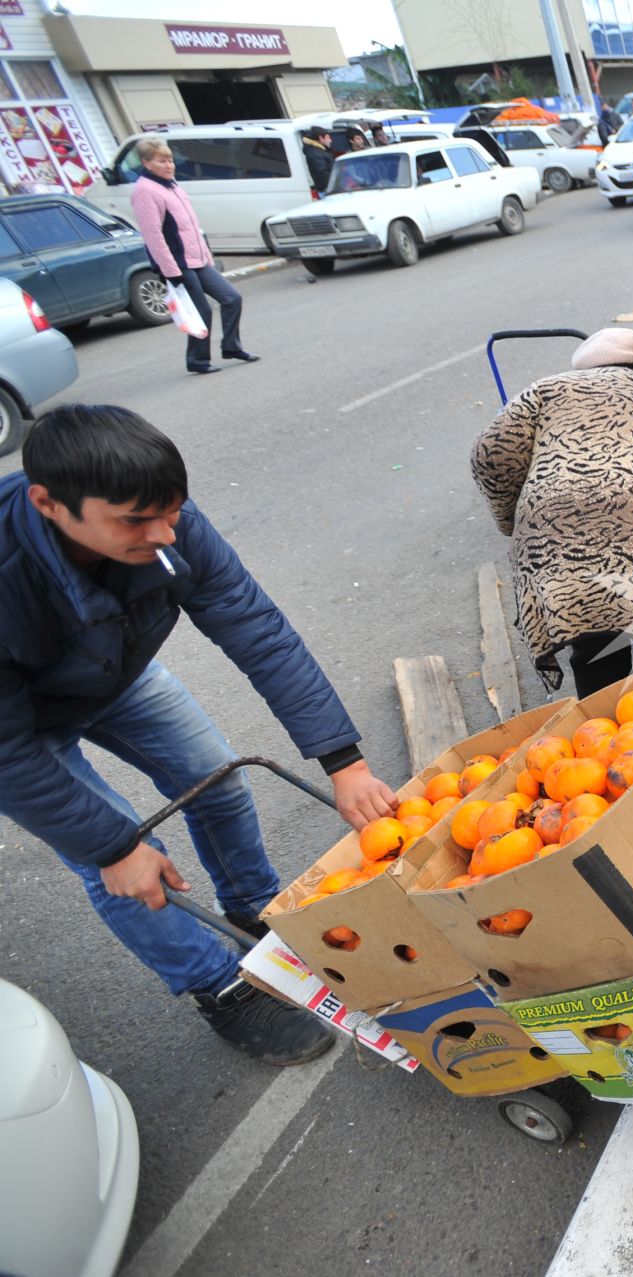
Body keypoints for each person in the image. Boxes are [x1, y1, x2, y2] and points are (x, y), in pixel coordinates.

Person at [0, 405, 397, 1064]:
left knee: (217, 778)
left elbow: (253, 625)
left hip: (110, 669)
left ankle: (253, 910)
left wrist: (343, 759)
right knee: (126, 860)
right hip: (18, 725)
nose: (162, 534)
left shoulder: (165, 524)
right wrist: (110, 842)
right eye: (135, 520)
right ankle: (219, 986)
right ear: (49, 503)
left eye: (173, 511)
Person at [471, 329, 633, 694]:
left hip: (563, 545)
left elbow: (490, 455)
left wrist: (508, 519)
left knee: (595, 640)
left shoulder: (545, 391)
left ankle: (603, 729)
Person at [128, 138, 256, 376]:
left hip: (197, 259)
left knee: (232, 298)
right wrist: (170, 271)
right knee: (201, 312)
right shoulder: (145, 190)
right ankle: (197, 360)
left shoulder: (173, 186)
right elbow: (153, 234)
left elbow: (192, 226)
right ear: (147, 163)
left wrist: (206, 256)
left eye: (170, 160)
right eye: (161, 161)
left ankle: (231, 347)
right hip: (177, 263)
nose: (169, 165)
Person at [300, 125, 334, 190]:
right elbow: (323, 174)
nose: (330, 140)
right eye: (328, 138)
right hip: (326, 189)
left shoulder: (319, 151)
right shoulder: (315, 153)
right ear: (321, 138)